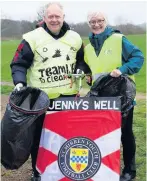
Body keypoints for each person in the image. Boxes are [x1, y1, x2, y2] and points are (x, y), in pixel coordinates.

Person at [10, 3, 91, 181]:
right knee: (39, 137)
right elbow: (18, 64)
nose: (54, 20)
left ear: (63, 17)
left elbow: (82, 60)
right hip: (39, 99)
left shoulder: (75, 37)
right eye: (50, 16)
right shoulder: (31, 38)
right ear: (45, 18)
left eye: (57, 16)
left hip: (68, 97)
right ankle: (38, 171)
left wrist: (80, 68)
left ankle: (64, 169)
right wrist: (20, 83)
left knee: (65, 136)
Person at [84, 11, 144, 181]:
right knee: (103, 133)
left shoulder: (118, 39)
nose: (96, 24)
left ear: (106, 21)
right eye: (92, 22)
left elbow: (138, 57)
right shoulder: (88, 48)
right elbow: (92, 70)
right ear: (89, 24)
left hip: (122, 97)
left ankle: (129, 170)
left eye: (100, 20)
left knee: (125, 133)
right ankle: (105, 167)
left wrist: (122, 70)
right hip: (101, 99)